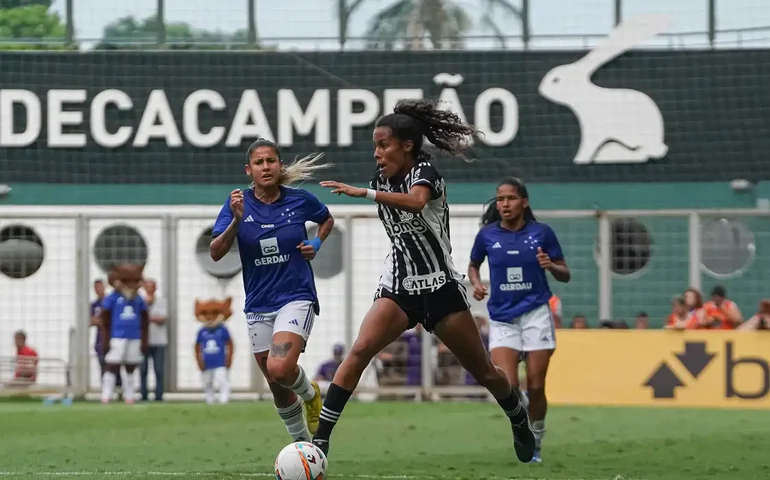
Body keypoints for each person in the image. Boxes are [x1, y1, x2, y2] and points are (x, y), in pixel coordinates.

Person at [313, 99, 535, 462]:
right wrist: (371, 188)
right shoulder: (381, 179)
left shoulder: (426, 173)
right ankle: (319, 440)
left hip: (441, 288)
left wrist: (362, 193)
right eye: (375, 145)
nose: (377, 152)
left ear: (407, 146)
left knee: (484, 372)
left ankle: (517, 415)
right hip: (400, 286)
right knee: (360, 350)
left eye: (383, 144)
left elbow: (417, 203)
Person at [210, 138, 334, 442]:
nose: (266, 167)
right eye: (259, 162)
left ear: (280, 165)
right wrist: (236, 222)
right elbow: (215, 252)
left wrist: (317, 242)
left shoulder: (299, 200)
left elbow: (326, 219)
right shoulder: (237, 204)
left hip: (295, 298)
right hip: (258, 305)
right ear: (248, 170)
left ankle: (311, 393)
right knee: (276, 384)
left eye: (271, 161)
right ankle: (302, 446)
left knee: (280, 368)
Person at [467, 177, 571, 463]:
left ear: (524, 202)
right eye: (500, 200)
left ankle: (536, 436)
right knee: (508, 387)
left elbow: (565, 273)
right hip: (502, 317)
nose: (504, 204)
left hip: (536, 313)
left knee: (536, 385)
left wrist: (551, 266)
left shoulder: (542, 233)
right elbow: (473, 265)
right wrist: (475, 283)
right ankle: (522, 422)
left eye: (510, 199)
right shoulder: (487, 235)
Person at [100, 263, 149, 404]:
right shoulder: (113, 298)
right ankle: (106, 394)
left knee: (130, 367)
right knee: (112, 365)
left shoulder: (139, 299)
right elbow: (105, 319)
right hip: (117, 337)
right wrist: (105, 339)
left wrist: (145, 340)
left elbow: (145, 320)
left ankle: (129, 395)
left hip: (134, 336)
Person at [139, 278, 169, 402]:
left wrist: (148, 319)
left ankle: (159, 395)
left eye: (152, 286)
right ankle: (144, 394)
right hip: (144, 341)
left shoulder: (162, 301)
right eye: (148, 286)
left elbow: (162, 319)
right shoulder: (140, 302)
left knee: (159, 369)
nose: (150, 288)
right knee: (143, 369)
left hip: (159, 341)